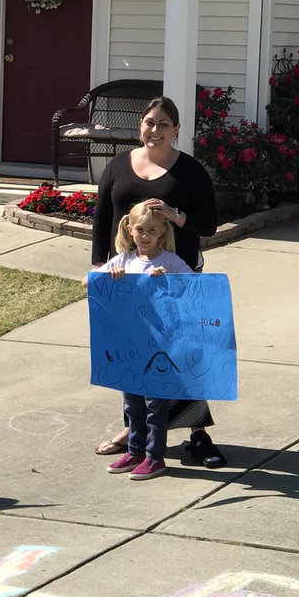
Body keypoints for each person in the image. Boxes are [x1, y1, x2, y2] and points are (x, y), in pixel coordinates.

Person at [90, 95, 227, 468]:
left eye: (163, 124)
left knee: (178, 357)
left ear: (176, 129)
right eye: (149, 122)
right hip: (128, 278)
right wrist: (101, 267)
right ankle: (134, 434)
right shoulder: (119, 165)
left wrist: (174, 214)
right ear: (140, 126)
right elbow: (102, 218)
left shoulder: (190, 171)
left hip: (175, 276)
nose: (155, 130)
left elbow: (209, 225)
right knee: (132, 356)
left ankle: (196, 434)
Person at [93, 203, 192, 481]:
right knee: (132, 403)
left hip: (161, 347)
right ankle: (135, 451)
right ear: (129, 229)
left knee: (156, 404)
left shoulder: (171, 262)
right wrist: (109, 278)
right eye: (140, 230)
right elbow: (88, 284)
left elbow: (195, 288)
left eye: (152, 230)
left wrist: (169, 280)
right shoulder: (123, 261)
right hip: (130, 345)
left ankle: (155, 457)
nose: (145, 235)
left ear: (162, 232)